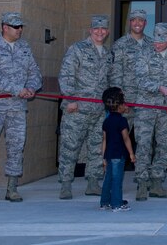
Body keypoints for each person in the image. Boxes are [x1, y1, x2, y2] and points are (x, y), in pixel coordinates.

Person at [0, 12, 42, 203]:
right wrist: (17, 89)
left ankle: (12, 187)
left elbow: (34, 71)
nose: (19, 30)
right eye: (15, 26)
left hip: (17, 108)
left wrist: (31, 87)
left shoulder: (25, 48)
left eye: (21, 27)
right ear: (5, 27)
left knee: (16, 146)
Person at [58, 14, 113, 199]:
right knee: (70, 146)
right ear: (90, 30)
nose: (100, 32)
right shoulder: (77, 49)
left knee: (97, 147)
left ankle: (93, 182)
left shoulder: (107, 54)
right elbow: (66, 75)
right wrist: (70, 99)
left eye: (103, 29)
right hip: (78, 108)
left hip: (98, 111)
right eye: (96, 29)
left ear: (107, 32)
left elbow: (108, 81)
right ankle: (65, 184)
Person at [133, 22, 167, 200]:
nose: (157, 44)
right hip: (146, 107)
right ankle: (141, 182)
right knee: (144, 145)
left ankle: (156, 182)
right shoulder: (143, 53)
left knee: (165, 146)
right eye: (155, 40)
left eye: (162, 41)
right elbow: (139, 79)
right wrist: (159, 87)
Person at [109, 9, 153, 131]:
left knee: (145, 141)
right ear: (130, 22)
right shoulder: (120, 45)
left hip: (147, 100)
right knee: (121, 138)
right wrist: (120, 101)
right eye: (134, 20)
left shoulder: (152, 44)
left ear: (145, 23)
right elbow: (115, 74)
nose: (137, 23)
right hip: (126, 100)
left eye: (141, 20)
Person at [100, 87, 135, 211]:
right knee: (117, 180)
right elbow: (126, 138)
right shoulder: (122, 121)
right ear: (120, 106)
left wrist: (103, 157)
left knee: (108, 179)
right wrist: (131, 153)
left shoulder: (106, 121)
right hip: (119, 155)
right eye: (124, 104)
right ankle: (117, 204)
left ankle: (104, 202)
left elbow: (104, 140)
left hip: (109, 155)